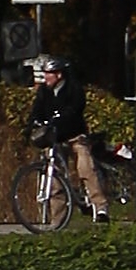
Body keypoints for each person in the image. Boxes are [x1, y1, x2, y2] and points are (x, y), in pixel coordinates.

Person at [29, 49, 113, 218]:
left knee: (85, 166)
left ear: (58, 75)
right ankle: (57, 219)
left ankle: (100, 206)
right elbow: (36, 110)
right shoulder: (44, 91)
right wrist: (34, 123)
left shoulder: (73, 88)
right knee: (53, 177)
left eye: (49, 74)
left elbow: (76, 108)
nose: (45, 78)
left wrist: (63, 116)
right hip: (54, 137)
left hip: (74, 134)